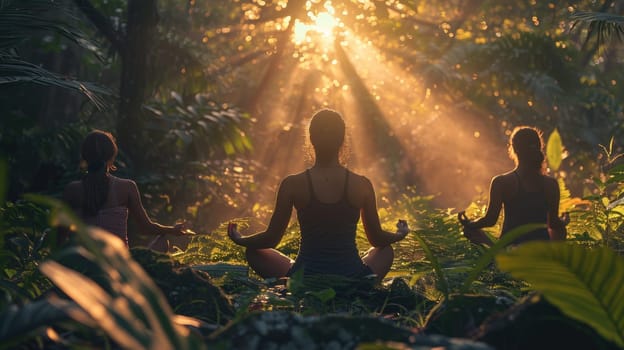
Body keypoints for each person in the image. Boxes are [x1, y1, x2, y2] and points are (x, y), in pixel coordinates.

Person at [227, 109, 409, 281]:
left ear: (311, 139)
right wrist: (399, 234)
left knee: (253, 251)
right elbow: (377, 239)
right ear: (342, 140)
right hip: (352, 276)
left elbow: (271, 238)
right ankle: (360, 287)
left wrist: (240, 239)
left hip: (305, 278)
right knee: (385, 251)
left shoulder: (292, 184)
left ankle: (292, 282)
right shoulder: (361, 184)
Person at [62, 130, 188, 247]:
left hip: (81, 264)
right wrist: (172, 230)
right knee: (162, 243)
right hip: (119, 266)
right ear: (112, 157)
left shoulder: (72, 190)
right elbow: (146, 228)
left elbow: (60, 235)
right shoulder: (127, 187)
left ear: (85, 157)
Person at [458, 126, 569, 246]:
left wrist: (469, 224)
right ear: (539, 148)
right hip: (540, 252)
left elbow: (490, 220)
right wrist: (564, 221)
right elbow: (553, 223)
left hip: (510, 251)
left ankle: (494, 258)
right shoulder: (551, 184)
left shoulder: (501, 182)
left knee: (470, 231)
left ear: (514, 149)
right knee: (560, 230)